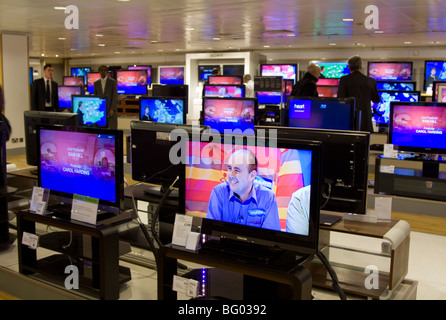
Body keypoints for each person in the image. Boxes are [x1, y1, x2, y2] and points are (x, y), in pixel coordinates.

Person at [207, 148, 281, 231]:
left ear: (252, 175)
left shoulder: (268, 197)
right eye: (230, 168)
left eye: (237, 170)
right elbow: (212, 232)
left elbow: (270, 238)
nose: (231, 175)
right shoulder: (218, 192)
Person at [337, 55, 381, 133]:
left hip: (349, 118)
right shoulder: (371, 81)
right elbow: (376, 99)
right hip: (365, 119)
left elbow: (340, 99)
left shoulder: (344, 80)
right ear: (361, 66)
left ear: (349, 67)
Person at [94, 65, 118, 129]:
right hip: (101, 110)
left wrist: (112, 109)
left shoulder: (112, 82)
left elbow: (115, 96)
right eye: (101, 70)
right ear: (99, 71)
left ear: (107, 72)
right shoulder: (96, 83)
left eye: (104, 70)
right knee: (101, 129)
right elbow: (96, 97)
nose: (103, 72)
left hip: (111, 109)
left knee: (112, 129)